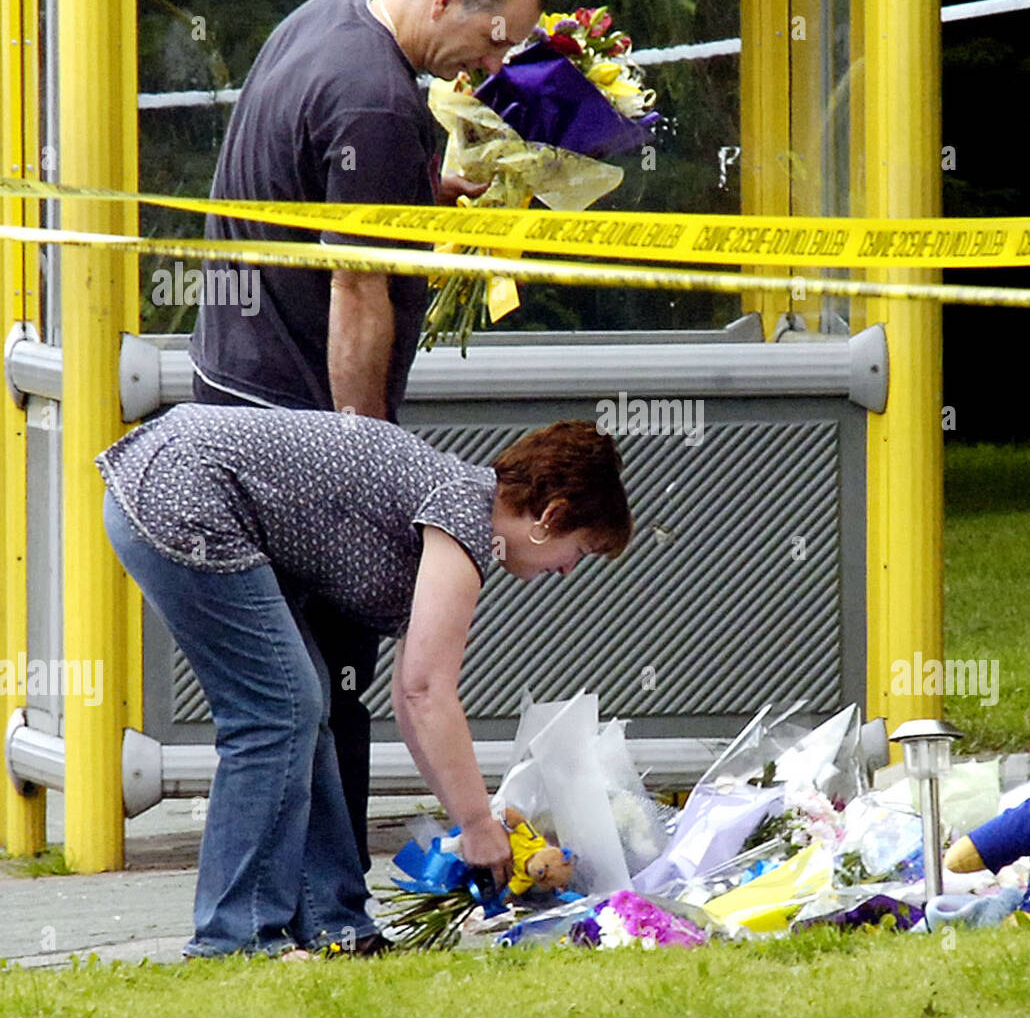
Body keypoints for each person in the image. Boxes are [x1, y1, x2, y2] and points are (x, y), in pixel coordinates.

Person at [187, 0, 550, 869]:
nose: (494, 63)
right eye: (495, 39)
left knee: (287, 691)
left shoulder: (329, 16)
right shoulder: (379, 103)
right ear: (447, 0)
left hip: (231, 386)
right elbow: (356, 286)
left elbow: (318, 197)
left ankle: (296, 906)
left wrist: (421, 202)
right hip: (295, 419)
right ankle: (331, 906)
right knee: (322, 692)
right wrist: (370, 454)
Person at [96, 405, 631, 959]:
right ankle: (236, 939)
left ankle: (338, 926)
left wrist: (473, 819)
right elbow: (426, 693)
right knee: (279, 711)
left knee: (303, 709)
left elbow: (410, 697)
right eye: (580, 551)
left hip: (174, 477)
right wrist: (476, 824)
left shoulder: (452, 502)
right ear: (550, 516)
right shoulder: (463, 513)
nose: (567, 570)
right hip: (183, 491)